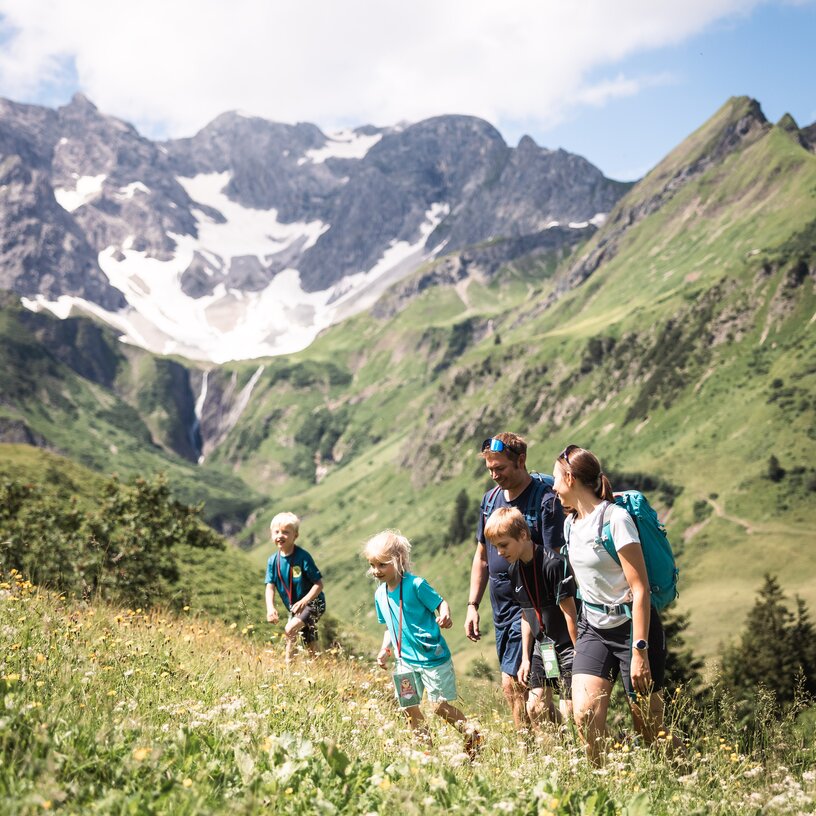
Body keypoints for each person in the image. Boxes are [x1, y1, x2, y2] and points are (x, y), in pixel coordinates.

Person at [553, 445, 668, 764]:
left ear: (570, 478)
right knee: (583, 717)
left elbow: (641, 589)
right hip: (594, 627)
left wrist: (640, 651)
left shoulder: (616, 520)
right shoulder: (570, 524)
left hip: (633, 627)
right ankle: (603, 784)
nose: (553, 487)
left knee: (650, 728)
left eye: (556, 479)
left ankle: (681, 781)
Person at [465, 432, 565, 732]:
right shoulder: (490, 500)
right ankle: (560, 743)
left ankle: (529, 751)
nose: (495, 475)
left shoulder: (545, 501)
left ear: (521, 461)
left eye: (501, 468)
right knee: (523, 691)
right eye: (490, 469)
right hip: (501, 609)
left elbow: (553, 560)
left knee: (514, 687)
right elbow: (482, 555)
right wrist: (472, 604)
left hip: (532, 606)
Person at [364, 529, 481, 757]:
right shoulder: (379, 595)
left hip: (432, 658)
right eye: (372, 565)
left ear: (398, 561)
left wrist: (444, 615)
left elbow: (440, 603)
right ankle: (426, 752)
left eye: (382, 565)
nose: (376, 571)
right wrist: (384, 649)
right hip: (404, 662)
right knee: (408, 705)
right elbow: (390, 626)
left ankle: (472, 734)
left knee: (439, 707)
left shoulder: (416, 584)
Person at [484, 506, 578, 728]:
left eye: (504, 545)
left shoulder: (553, 564)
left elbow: (570, 613)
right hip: (543, 647)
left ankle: (612, 744)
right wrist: (525, 658)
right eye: (496, 547)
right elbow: (526, 615)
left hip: (567, 646)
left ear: (524, 535)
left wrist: (578, 651)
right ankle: (559, 755)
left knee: (571, 712)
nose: (499, 552)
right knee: (535, 708)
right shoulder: (514, 570)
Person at [265, 512, 326, 663]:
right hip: (295, 608)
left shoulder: (303, 557)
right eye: (277, 532)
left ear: (295, 536)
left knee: (290, 629)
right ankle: (324, 672)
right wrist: (270, 608)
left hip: (313, 604)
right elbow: (270, 586)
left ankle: (288, 669)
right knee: (311, 645)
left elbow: (319, 584)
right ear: (271, 535)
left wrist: (305, 601)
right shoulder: (273, 561)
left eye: (286, 532)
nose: (280, 535)